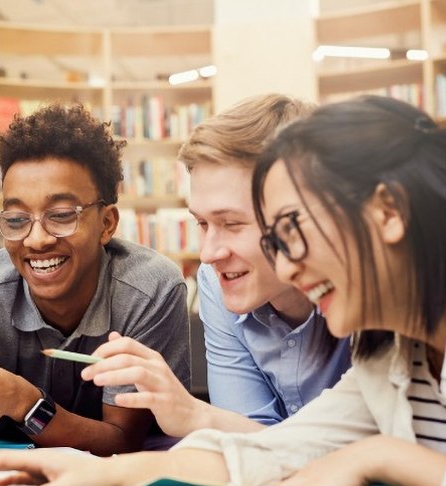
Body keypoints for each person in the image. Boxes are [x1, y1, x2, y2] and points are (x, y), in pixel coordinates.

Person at [0, 96, 446, 486]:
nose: (289, 263)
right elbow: (281, 450)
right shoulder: (388, 358)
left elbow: (347, 453)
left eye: (291, 229)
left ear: (387, 212)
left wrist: (381, 457)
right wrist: (108, 475)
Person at [78, 94, 351, 440]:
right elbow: (254, 440)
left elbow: (376, 448)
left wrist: (195, 415)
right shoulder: (215, 280)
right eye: (203, 224)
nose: (207, 254)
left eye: (232, 224)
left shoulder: (370, 294)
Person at [0, 104, 190, 456]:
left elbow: (120, 441)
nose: (37, 240)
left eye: (62, 215)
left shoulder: (150, 289)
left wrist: (20, 399)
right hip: (12, 480)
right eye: (17, 218)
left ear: (107, 224)